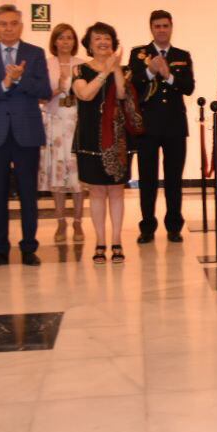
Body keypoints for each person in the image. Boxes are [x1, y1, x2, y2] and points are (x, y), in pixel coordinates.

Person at [0, 5, 51, 267]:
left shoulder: (35, 54)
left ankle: (29, 247)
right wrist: (4, 84)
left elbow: (44, 90)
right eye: (3, 24)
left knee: (28, 192)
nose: (8, 27)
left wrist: (19, 80)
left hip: (26, 132)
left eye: (13, 23)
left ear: (21, 25)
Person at [72, 23, 140, 264]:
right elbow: (86, 94)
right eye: (97, 38)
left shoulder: (125, 69)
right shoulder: (79, 69)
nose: (103, 42)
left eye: (107, 38)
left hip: (118, 139)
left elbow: (122, 94)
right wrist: (104, 72)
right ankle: (100, 241)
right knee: (97, 191)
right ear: (89, 44)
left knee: (117, 191)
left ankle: (117, 240)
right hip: (90, 137)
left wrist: (116, 69)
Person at [129, 9, 194, 244]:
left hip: (175, 125)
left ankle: (174, 226)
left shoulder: (181, 55)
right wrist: (150, 71)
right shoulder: (139, 54)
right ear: (151, 28)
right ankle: (147, 226)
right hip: (148, 126)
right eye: (157, 26)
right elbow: (133, 83)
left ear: (171, 27)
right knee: (147, 178)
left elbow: (188, 87)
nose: (161, 30)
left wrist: (168, 76)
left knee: (174, 179)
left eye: (165, 25)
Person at [40, 23, 86, 242]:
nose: (66, 41)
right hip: (55, 122)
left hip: (77, 123)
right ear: (55, 41)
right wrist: (58, 89)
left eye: (69, 37)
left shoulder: (83, 65)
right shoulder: (45, 65)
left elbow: (90, 95)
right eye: (61, 38)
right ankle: (60, 222)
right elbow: (39, 97)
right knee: (57, 174)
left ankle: (78, 222)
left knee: (78, 176)